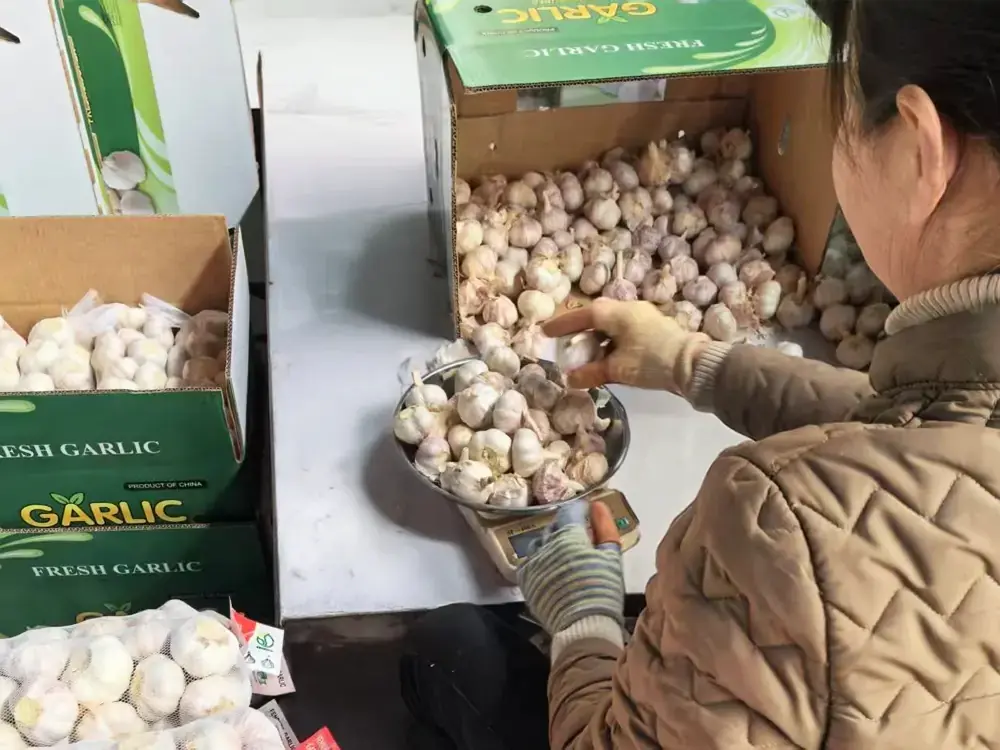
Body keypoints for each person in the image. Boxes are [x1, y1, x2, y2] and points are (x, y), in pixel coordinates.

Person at [401, 1, 1000, 747]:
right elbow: (939, 431)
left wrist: (585, 623)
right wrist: (697, 364)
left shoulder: (782, 525)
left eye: (841, 109)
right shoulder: (962, 407)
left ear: (919, 150)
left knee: (451, 647)